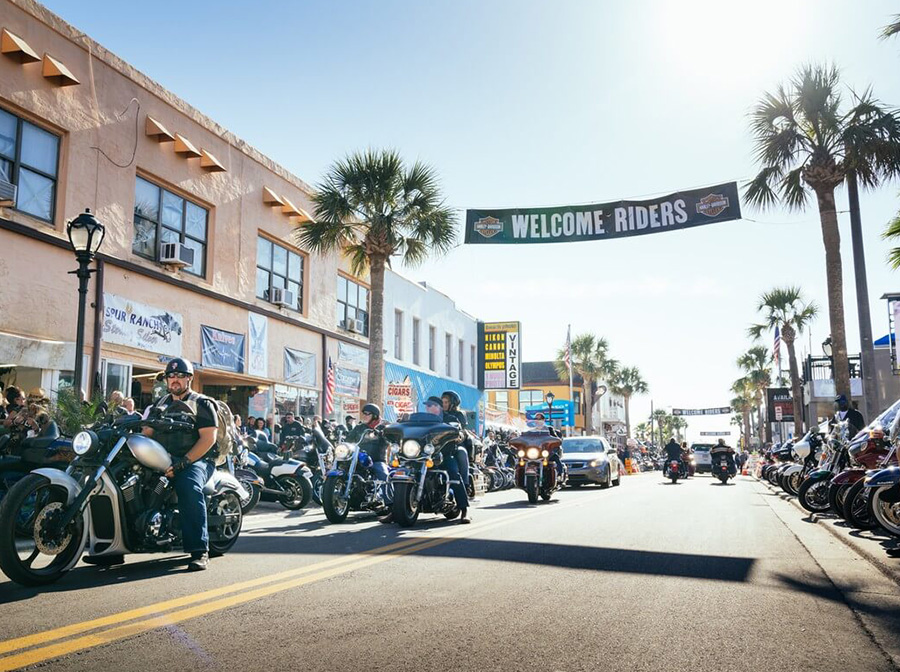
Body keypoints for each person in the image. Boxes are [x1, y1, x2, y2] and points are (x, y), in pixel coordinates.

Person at [143, 358, 218, 572]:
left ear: (189, 379)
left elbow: (208, 439)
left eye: (180, 376)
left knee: (188, 487)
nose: (175, 380)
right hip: (164, 457)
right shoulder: (160, 403)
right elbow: (147, 432)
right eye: (171, 376)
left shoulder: (202, 403)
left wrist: (184, 462)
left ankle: (199, 550)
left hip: (197, 459)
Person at [423, 396, 469, 523]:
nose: (428, 408)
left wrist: (457, 433)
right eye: (427, 405)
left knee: (454, 475)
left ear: (439, 407)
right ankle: (396, 511)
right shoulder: (422, 419)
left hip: (444, 455)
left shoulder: (450, 419)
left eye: (431, 405)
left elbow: (458, 431)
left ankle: (464, 510)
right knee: (403, 471)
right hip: (423, 456)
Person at [531, 412, 564, 479]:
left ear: (543, 420)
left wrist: (555, 442)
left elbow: (556, 439)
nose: (537, 420)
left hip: (547, 451)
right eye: (536, 419)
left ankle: (559, 475)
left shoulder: (549, 429)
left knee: (555, 458)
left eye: (539, 419)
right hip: (535, 453)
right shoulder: (532, 431)